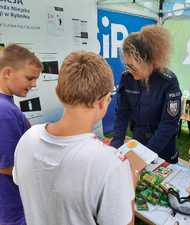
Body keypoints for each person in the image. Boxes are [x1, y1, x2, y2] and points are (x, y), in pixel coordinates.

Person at [13, 51, 136, 225]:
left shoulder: (27, 139)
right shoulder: (111, 164)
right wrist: (128, 188)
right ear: (102, 102)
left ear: (58, 91)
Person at [110, 25, 182, 163]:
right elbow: (122, 113)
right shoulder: (127, 78)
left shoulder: (168, 81)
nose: (128, 69)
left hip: (163, 149)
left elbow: (168, 124)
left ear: (148, 60)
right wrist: (115, 145)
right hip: (138, 141)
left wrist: (145, 156)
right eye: (126, 65)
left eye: (132, 65)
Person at [0, 44, 42, 225]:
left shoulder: (7, 106)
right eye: (29, 78)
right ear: (7, 72)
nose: (34, 84)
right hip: (12, 206)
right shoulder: (4, 112)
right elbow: (5, 166)